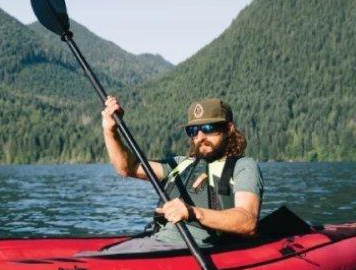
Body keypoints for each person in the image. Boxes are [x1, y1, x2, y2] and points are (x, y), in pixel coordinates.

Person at [93, 95, 263, 254]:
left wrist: (193, 212)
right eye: (193, 130)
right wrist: (110, 131)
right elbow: (127, 167)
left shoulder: (243, 166)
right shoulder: (180, 164)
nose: (200, 136)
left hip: (196, 250)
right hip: (159, 240)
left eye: (209, 128)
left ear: (229, 128)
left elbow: (247, 221)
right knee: (98, 255)